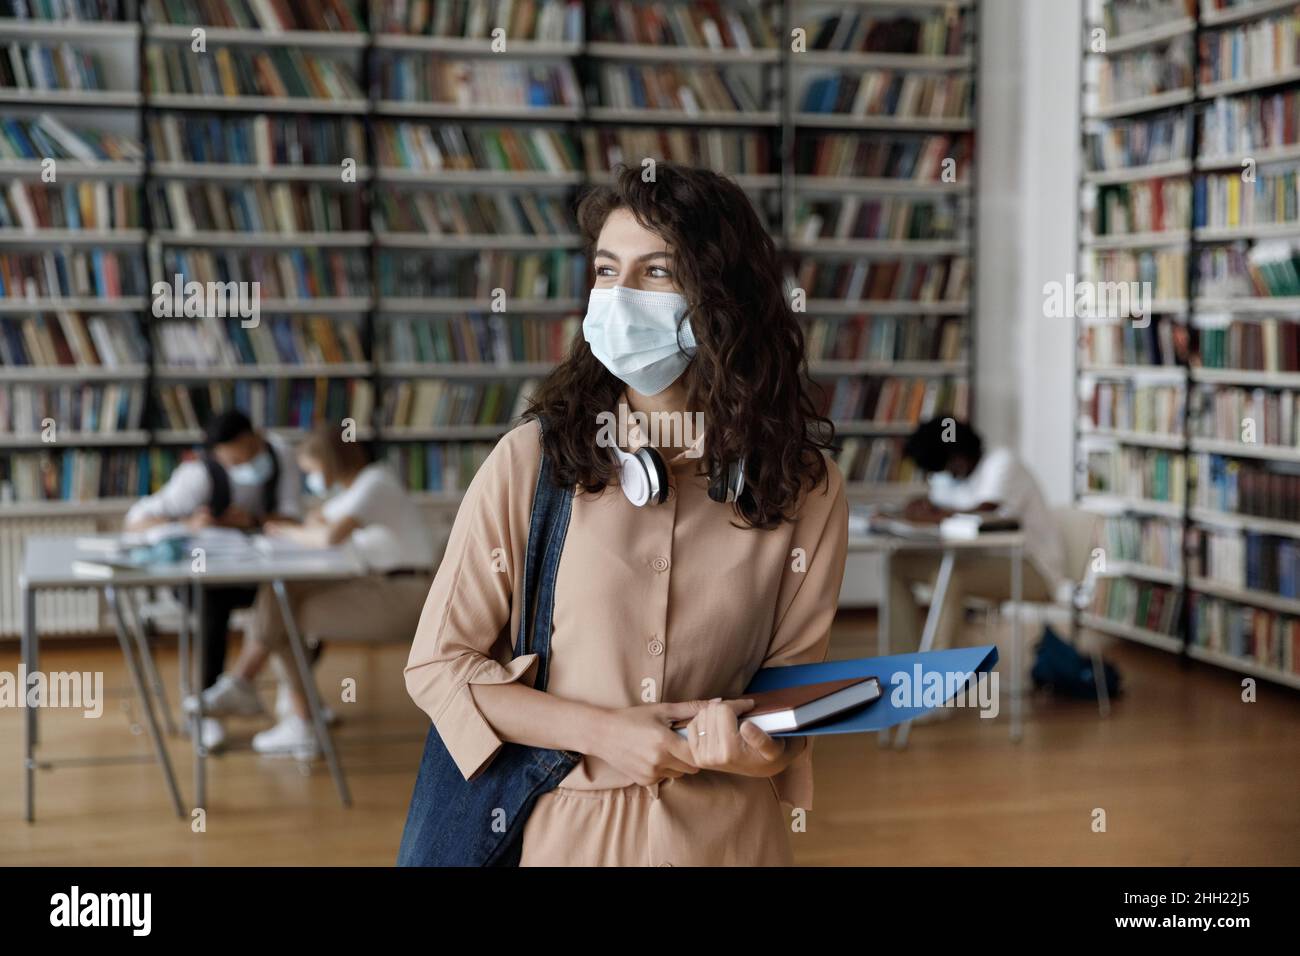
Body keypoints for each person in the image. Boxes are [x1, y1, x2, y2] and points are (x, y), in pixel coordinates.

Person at [402, 163, 849, 866]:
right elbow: (440, 666)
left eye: (656, 273)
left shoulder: (806, 486)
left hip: (728, 842)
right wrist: (604, 732)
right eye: (607, 272)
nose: (618, 297)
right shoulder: (532, 463)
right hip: (561, 837)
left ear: (721, 298)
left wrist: (756, 753)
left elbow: (787, 702)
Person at [185, 424, 435, 757]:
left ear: (330, 463)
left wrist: (289, 532)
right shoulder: (355, 490)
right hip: (380, 585)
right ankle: (274, 704)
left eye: (312, 470)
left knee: (284, 615)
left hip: (403, 597)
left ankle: (289, 713)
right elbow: (316, 524)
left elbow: (328, 537)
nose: (311, 479)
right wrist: (307, 528)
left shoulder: (375, 482)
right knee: (281, 598)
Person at [125, 409, 301, 750]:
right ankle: (207, 710)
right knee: (212, 605)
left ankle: (297, 703)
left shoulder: (282, 456)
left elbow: (292, 516)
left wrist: (253, 519)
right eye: (234, 458)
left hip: (259, 572)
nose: (245, 462)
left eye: (249, 452)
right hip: (207, 582)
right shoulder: (197, 476)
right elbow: (136, 522)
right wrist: (189, 525)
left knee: (299, 599)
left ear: (258, 435)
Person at [888, 417, 1066, 656]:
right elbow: (939, 508)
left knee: (951, 577)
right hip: (981, 564)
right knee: (898, 564)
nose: (949, 473)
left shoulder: (1002, 463)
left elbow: (986, 511)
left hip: (1033, 569)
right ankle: (902, 661)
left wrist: (933, 513)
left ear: (960, 454)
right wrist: (911, 510)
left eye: (950, 465)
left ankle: (938, 673)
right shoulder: (950, 477)